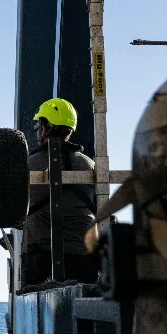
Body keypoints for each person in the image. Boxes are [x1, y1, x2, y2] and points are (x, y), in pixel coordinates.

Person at [21, 97, 99, 286]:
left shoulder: (30, 165)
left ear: (45, 126)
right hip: (86, 261)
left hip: (42, 262)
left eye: (38, 126)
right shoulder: (90, 164)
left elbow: (14, 212)